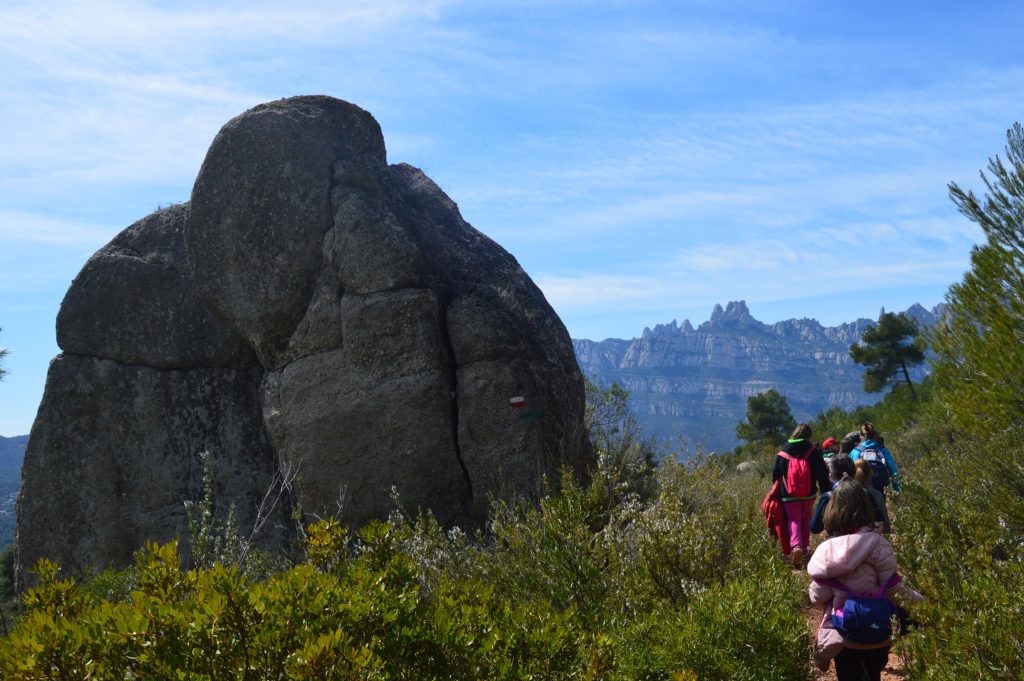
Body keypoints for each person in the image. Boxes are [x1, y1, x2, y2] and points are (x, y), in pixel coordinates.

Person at [807, 480, 923, 680]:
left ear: (832, 510)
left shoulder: (827, 551)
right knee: (873, 673)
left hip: (843, 634)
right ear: (866, 508)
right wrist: (923, 603)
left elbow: (818, 597)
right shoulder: (880, 545)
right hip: (878, 630)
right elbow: (894, 590)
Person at [772, 424, 831, 567]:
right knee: (805, 519)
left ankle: (796, 546)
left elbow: (776, 474)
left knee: (793, 519)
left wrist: (778, 490)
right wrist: (825, 491)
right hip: (808, 493)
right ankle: (805, 549)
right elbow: (822, 473)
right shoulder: (813, 451)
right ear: (809, 436)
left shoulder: (783, 451)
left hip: (788, 494)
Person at [809, 454, 856, 535]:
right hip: (864, 540)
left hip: (838, 540)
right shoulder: (865, 493)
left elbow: (815, 528)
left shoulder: (828, 497)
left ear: (831, 475)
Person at [850, 423, 901, 496]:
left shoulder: (855, 451)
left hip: (861, 490)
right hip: (879, 487)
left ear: (861, 436)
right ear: (874, 435)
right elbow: (893, 471)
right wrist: (897, 490)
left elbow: (850, 471)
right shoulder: (882, 449)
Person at [854, 458, 891, 533]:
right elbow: (886, 527)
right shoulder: (877, 495)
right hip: (872, 536)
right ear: (870, 474)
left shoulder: (846, 494)